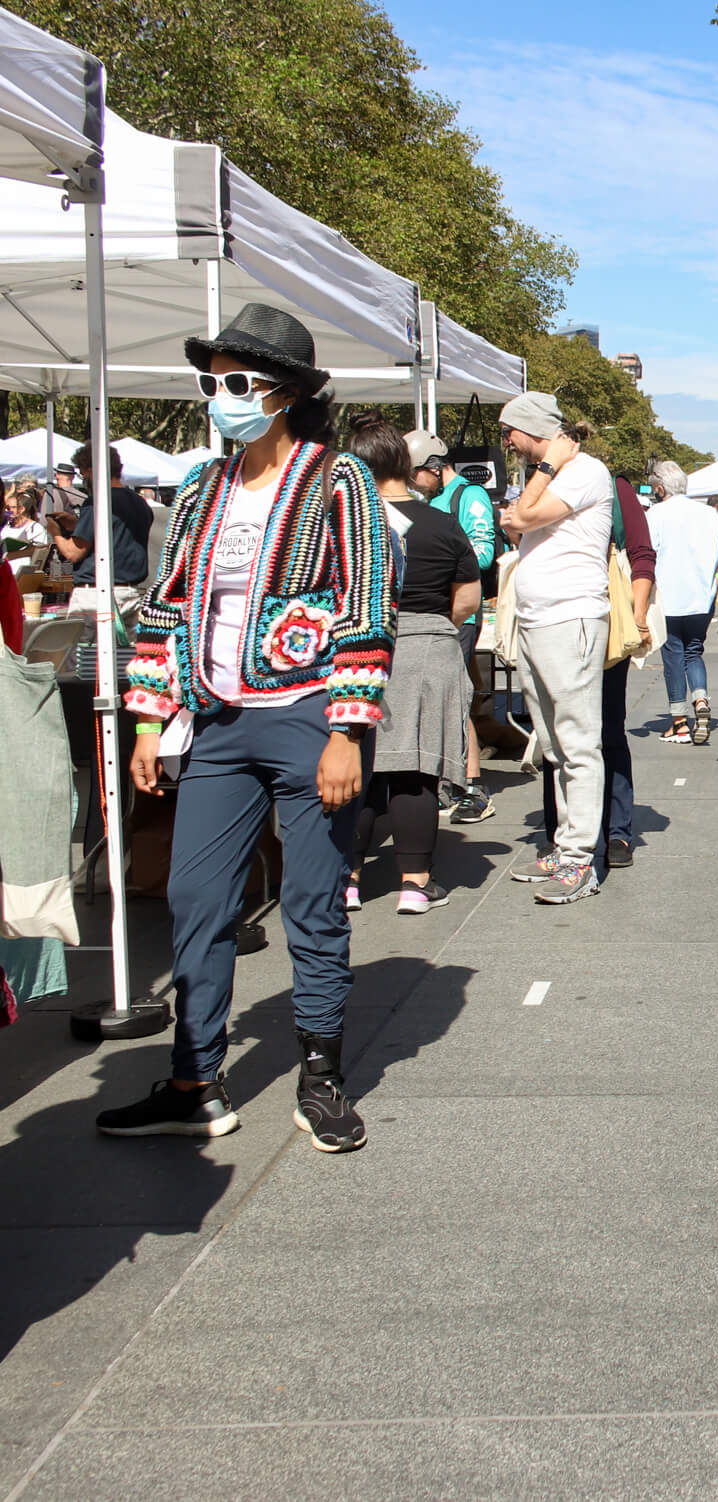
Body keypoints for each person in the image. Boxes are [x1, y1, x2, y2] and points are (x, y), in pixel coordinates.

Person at [104, 303, 392, 1151]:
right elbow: (163, 608)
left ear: (285, 394)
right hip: (217, 720)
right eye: (212, 381)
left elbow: (364, 607)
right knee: (195, 896)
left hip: (307, 714)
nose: (219, 396)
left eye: (237, 382)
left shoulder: (340, 482)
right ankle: (196, 1077)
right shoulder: (199, 489)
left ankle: (321, 1075)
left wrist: (345, 731)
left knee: (311, 901)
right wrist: (151, 720)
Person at [346, 415, 479, 915]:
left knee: (356, 763)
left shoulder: (346, 524)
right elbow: (466, 598)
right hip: (426, 642)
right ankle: (415, 883)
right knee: (415, 768)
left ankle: (349, 879)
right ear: (408, 465)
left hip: (355, 645)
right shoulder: (442, 524)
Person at [497, 390, 616, 905]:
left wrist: (546, 465)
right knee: (552, 741)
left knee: (577, 740)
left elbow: (519, 519)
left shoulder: (583, 470)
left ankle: (580, 859)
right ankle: (566, 846)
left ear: (533, 430)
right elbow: (515, 518)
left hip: (571, 619)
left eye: (509, 433)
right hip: (538, 619)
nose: (506, 443)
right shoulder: (554, 472)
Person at [541, 475, 654, 875]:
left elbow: (642, 553)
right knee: (557, 732)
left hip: (603, 621)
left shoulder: (612, 486)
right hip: (549, 621)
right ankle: (562, 830)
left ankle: (617, 830)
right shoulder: (542, 486)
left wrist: (637, 614)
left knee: (607, 726)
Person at [407, 430, 498, 823]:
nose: (412, 483)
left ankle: (474, 785)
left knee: (454, 698)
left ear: (432, 468)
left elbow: (482, 552)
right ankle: (448, 780)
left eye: (414, 474)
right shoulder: (433, 499)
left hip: (457, 614)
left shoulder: (468, 496)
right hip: (432, 612)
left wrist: (435, 564)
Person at [644, 458, 718, 745]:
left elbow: (645, 553)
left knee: (673, 656)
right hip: (701, 595)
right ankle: (700, 699)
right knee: (694, 651)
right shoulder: (709, 515)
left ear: (661, 488)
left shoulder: (655, 515)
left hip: (668, 596)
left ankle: (679, 721)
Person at [51, 442, 153, 628]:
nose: (83, 479)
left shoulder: (98, 502)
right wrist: (77, 525)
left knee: (83, 654)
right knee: (125, 655)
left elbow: (74, 553)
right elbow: (116, 531)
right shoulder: (140, 503)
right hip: (131, 593)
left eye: (83, 473)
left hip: (96, 595)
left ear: (91, 470)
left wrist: (56, 532)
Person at [3, 485, 48, 575]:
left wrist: (12, 555)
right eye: (7, 508)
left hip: (22, 575)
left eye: (12, 507)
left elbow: (40, 551)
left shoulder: (35, 528)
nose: (9, 511)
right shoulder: (4, 526)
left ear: (22, 509)